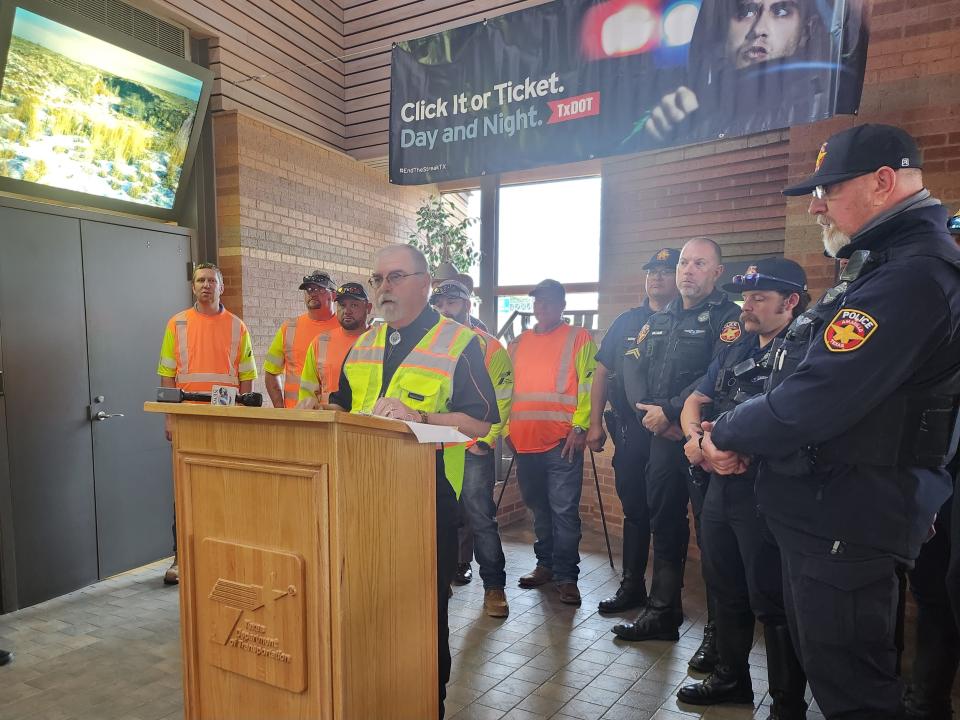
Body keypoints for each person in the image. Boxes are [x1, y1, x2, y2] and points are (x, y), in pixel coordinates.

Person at [701, 124, 960, 718]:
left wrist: (730, 432)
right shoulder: (879, 268)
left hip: (850, 512)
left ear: (883, 182)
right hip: (829, 508)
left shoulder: (910, 278)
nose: (817, 204)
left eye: (829, 188)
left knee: (855, 693)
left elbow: (816, 396)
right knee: (834, 675)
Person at [327, 244, 498, 720]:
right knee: (367, 607)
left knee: (421, 617)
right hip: (360, 496)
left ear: (424, 283)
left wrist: (419, 414)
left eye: (396, 276)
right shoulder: (361, 344)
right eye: (378, 278)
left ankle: (427, 705)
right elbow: (341, 405)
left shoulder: (459, 343)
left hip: (428, 500)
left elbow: (481, 423)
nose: (384, 287)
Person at [675, 258, 809, 716]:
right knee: (724, 586)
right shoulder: (736, 346)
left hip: (770, 493)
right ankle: (731, 680)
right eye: (745, 297)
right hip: (722, 487)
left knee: (772, 600)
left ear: (790, 302)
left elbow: (795, 421)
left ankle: (787, 704)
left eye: (759, 298)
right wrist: (699, 441)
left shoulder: (806, 349)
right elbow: (695, 399)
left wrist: (719, 446)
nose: (747, 307)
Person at [614, 238, 741, 677]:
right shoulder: (660, 317)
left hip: (706, 443)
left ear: (717, 272)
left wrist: (669, 412)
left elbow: (719, 377)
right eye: (684, 263)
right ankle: (662, 611)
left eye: (698, 263)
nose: (687, 271)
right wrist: (647, 412)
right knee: (663, 522)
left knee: (713, 539)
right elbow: (633, 363)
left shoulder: (729, 318)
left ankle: (717, 635)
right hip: (662, 440)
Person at [590, 248, 680, 615]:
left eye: (664, 270)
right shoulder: (627, 322)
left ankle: (664, 601)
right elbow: (601, 372)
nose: (656, 277)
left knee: (668, 516)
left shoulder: (686, 320)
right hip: (629, 433)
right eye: (651, 271)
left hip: (670, 433)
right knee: (634, 511)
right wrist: (595, 423)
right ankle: (631, 587)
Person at [157, 262, 258, 584]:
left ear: (221, 286)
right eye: (200, 280)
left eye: (211, 281)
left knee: (226, 488)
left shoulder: (236, 326)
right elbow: (166, 375)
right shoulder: (177, 324)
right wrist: (170, 418)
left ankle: (224, 555)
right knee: (185, 490)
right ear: (193, 286)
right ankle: (180, 558)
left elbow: (247, 377)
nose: (205, 285)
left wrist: (243, 417)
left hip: (226, 419)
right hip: (189, 419)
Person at [508, 279, 597, 606]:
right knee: (538, 508)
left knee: (563, 511)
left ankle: (567, 577)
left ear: (561, 305)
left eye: (547, 302)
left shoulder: (578, 338)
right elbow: (505, 391)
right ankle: (545, 565)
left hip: (563, 443)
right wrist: (505, 429)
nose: (541, 307)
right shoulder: (517, 343)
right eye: (537, 302)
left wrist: (581, 426)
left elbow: (589, 384)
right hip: (524, 442)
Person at [641, 0, 839, 145]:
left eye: (780, 11)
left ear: (806, 30)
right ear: (722, 29)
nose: (759, 29)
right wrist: (655, 137)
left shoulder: (825, 105)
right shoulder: (693, 114)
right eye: (745, 11)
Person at [430, 279, 513, 618]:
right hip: (435, 447)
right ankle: (439, 582)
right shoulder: (430, 345)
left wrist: (487, 439)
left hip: (472, 446)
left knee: (481, 519)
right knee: (438, 519)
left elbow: (503, 401)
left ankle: (494, 587)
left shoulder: (489, 347)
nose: (445, 309)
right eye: (440, 304)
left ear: (467, 305)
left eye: (452, 303)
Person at [263, 270, 339, 408]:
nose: (312, 293)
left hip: (333, 417)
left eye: (320, 289)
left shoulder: (346, 329)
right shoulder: (289, 328)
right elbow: (271, 373)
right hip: (296, 417)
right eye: (309, 289)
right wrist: (280, 410)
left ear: (333, 295)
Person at [297, 282, 372, 406]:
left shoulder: (380, 342)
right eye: (342, 305)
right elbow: (307, 391)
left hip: (365, 422)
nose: (347, 311)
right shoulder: (320, 342)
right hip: (327, 420)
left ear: (368, 308)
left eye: (354, 305)